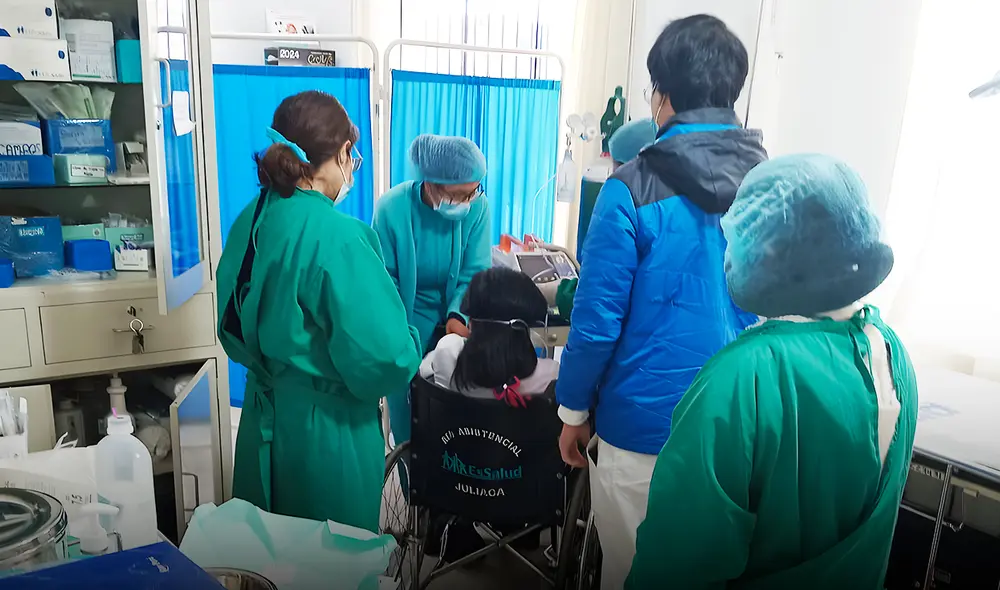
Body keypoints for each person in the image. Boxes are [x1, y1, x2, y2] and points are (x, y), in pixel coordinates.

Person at [626, 154, 917, 589]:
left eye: (745, 239)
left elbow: (676, 562)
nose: (733, 253)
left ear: (779, 250)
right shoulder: (893, 357)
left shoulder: (744, 380)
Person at [556, 15, 767, 588]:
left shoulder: (628, 187)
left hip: (643, 428)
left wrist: (573, 411)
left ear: (663, 95)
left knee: (632, 573)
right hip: (737, 427)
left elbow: (596, 323)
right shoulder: (770, 186)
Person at [217, 91, 421, 534]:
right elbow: (387, 360)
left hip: (261, 428)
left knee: (264, 564)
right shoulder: (339, 237)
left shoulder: (252, 218)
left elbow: (230, 323)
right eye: (354, 156)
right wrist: (411, 337)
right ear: (344, 152)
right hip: (324, 437)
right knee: (328, 568)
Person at [373, 134, 492, 445]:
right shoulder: (391, 210)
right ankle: (413, 489)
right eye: (460, 195)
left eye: (473, 192)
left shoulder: (477, 208)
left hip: (455, 325)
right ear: (431, 183)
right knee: (410, 428)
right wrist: (400, 338)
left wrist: (458, 317)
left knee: (455, 429)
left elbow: (475, 270)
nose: (468, 201)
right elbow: (385, 282)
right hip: (403, 325)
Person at [420, 267, 559, 403]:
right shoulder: (551, 376)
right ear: (525, 327)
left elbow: (422, 374)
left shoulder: (447, 354)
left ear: (471, 323)